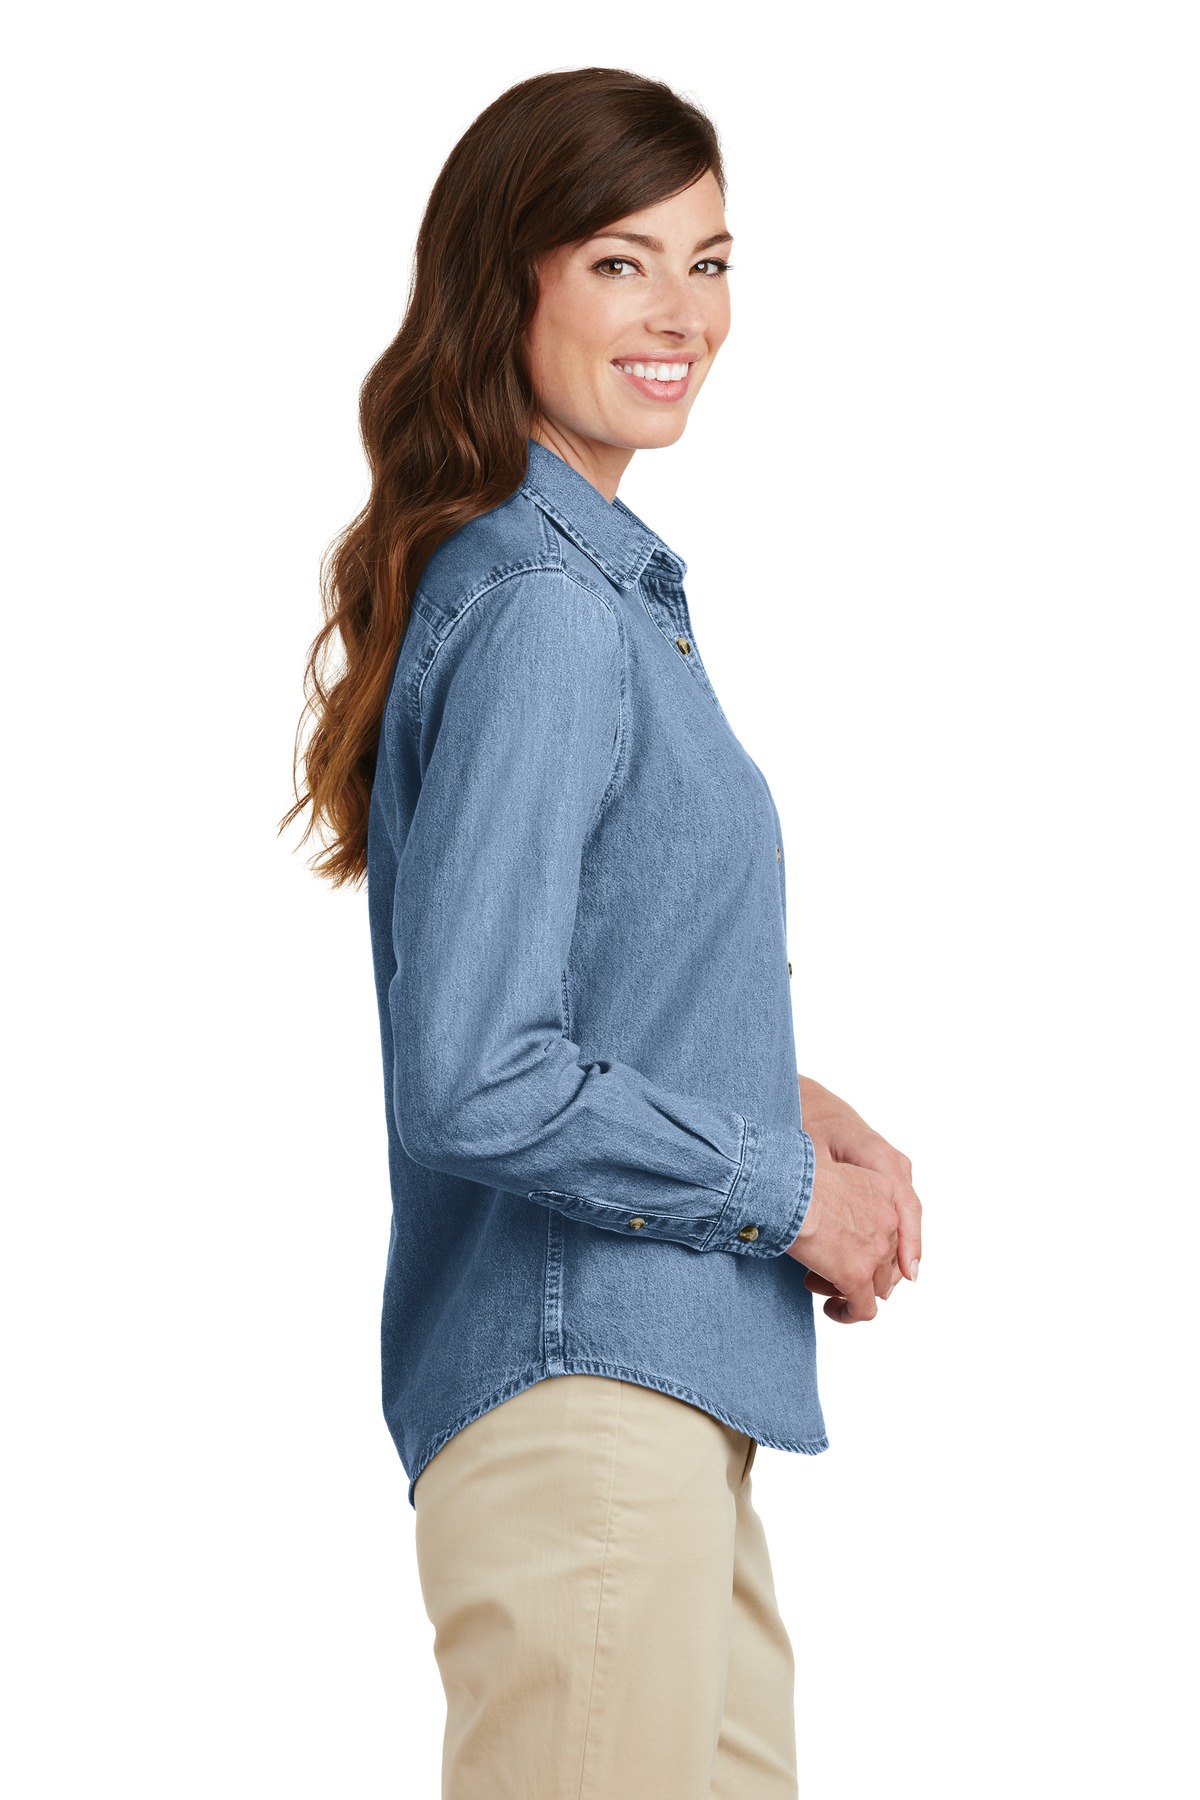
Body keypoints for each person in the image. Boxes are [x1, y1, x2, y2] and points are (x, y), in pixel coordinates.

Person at [283, 66, 922, 1800]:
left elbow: (586, 995)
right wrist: (785, 1190)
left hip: (665, 1412)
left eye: (710, 264)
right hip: (590, 1403)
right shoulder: (549, 609)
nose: (681, 315)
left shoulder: (593, 596)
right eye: (621, 263)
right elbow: (480, 1074)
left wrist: (786, 1104)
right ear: (508, 283)